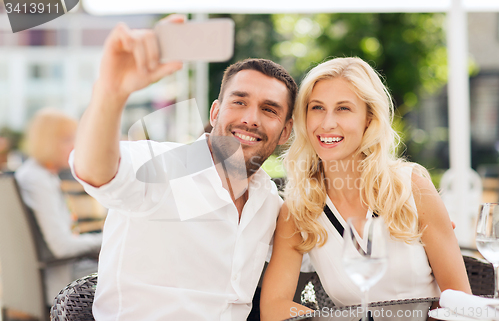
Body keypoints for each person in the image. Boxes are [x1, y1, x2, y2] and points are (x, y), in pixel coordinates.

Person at [70, 14, 295, 320]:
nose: (251, 118)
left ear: (285, 132)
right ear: (215, 112)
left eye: (269, 109)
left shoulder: (269, 201)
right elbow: (97, 171)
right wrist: (111, 93)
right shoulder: (167, 167)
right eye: (239, 102)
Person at [260, 57, 472, 320]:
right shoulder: (299, 208)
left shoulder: (412, 187)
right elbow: (274, 306)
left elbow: (460, 300)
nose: (326, 123)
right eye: (317, 108)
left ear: (369, 119)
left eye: (343, 109)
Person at [15, 108, 102, 305]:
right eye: (67, 139)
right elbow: (62, 246)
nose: (76, 145)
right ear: (48, 142)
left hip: (53, 275)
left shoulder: (34, 174)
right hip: (60, 283)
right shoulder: (37, 180)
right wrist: (107, 239)